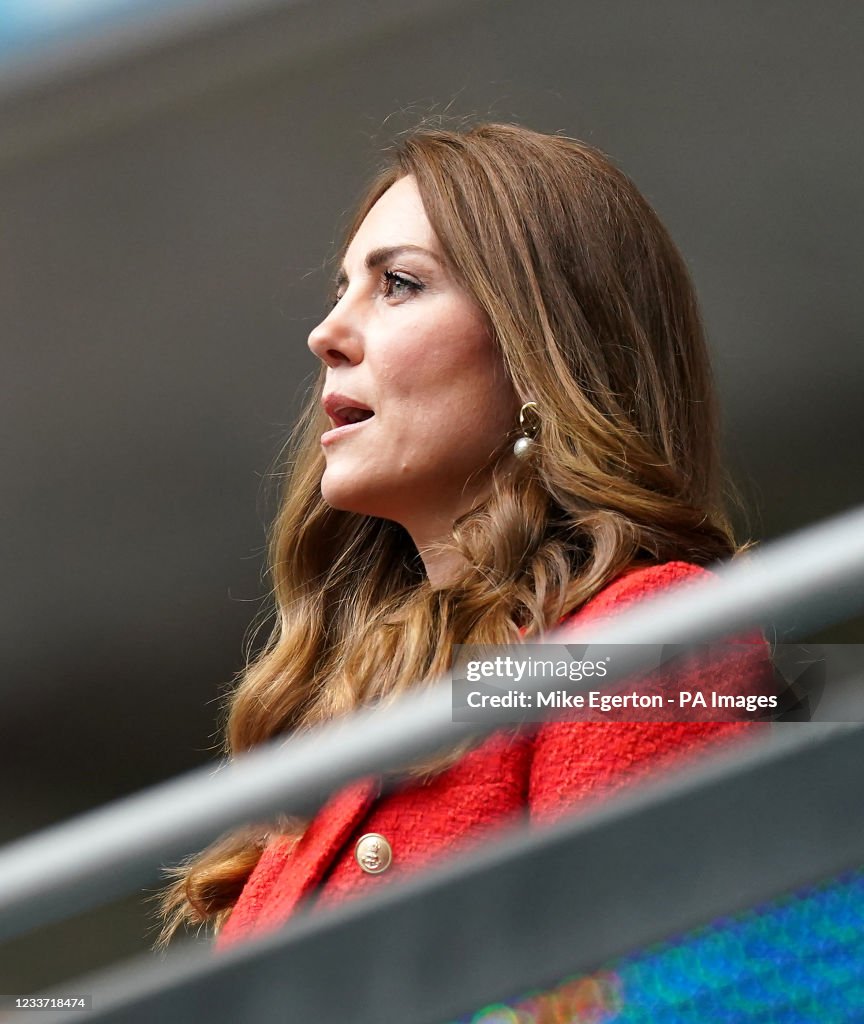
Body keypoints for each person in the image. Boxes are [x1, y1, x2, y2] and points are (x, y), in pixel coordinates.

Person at [157, 122, 764, 949]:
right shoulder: (348, 714)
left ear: (539, 349)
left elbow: (659, 990)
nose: (326, 333)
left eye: (398, 284)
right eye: (340, 290)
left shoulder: (653, 635)